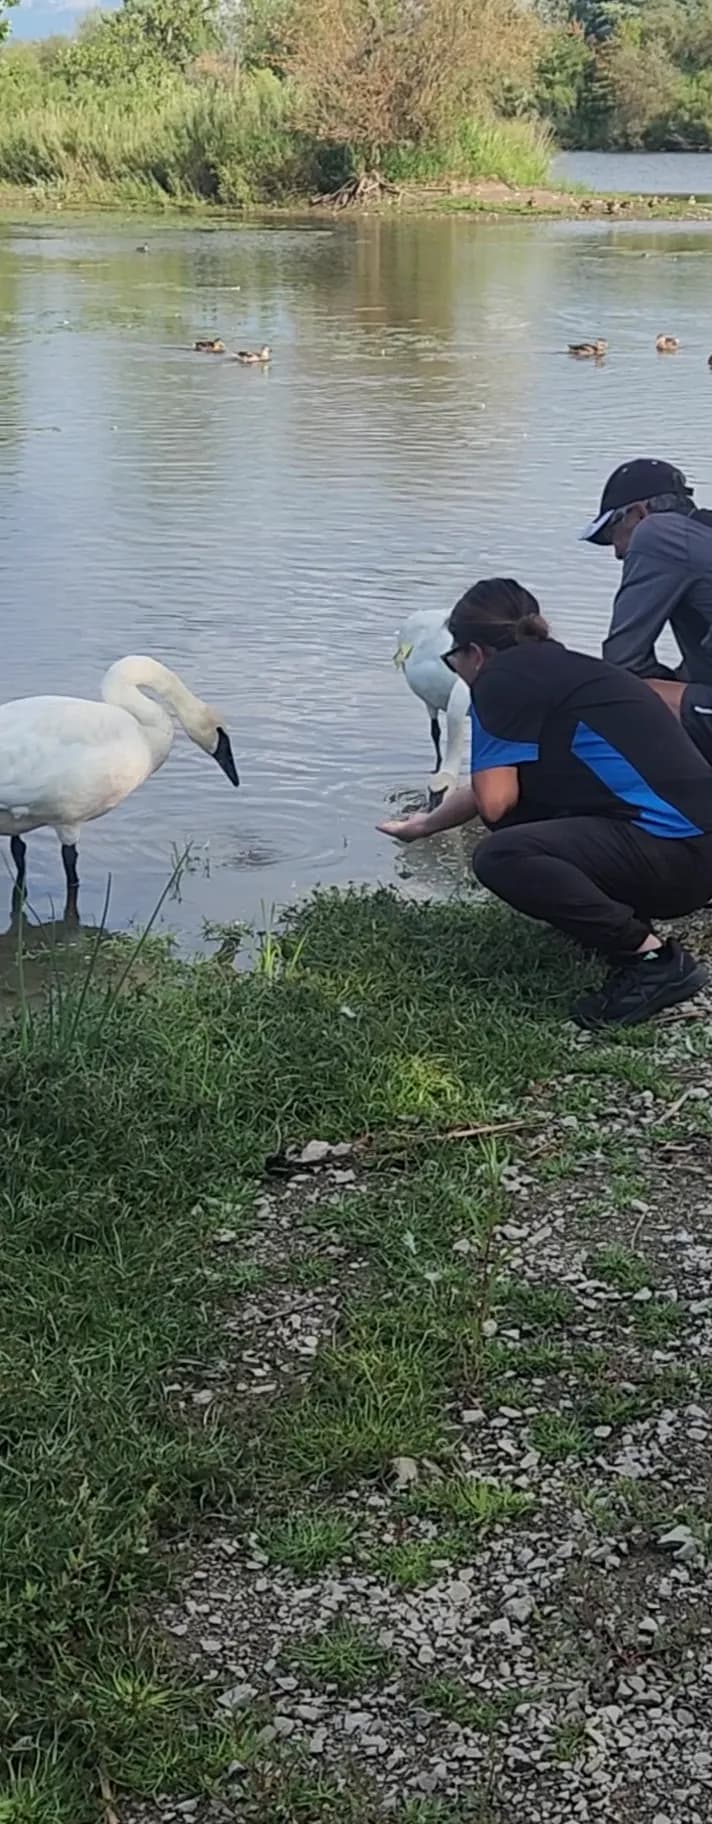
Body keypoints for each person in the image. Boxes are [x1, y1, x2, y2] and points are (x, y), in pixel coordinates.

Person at [378, 578, 712, 1030]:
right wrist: (425, 825)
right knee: (533, 802)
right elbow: (502, 784)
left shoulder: (499, 680)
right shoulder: (561, 667)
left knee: (502, 852)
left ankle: (653, 962)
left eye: (453, 658)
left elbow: (495, 802)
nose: (456, 670)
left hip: (677, 858)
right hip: (691, 851)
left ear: (475, 652)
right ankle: (619, 924)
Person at [580, 457, 712, 682]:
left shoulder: (658, 534)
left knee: (617, 686)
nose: (617, 553)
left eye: (613, 534)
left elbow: (623, 660)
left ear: (639, 514)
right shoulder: (699, 535)